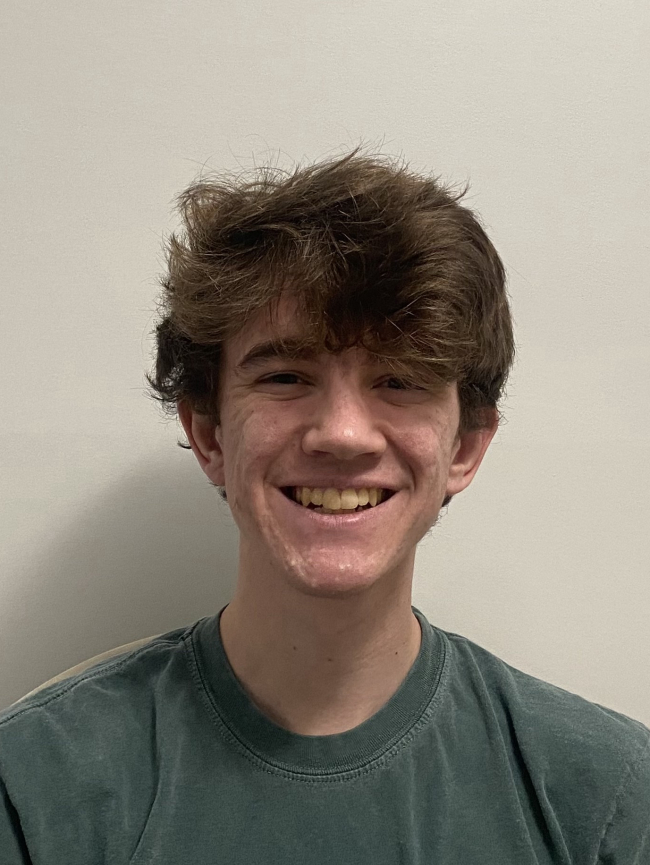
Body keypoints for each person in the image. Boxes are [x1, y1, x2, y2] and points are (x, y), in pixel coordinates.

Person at [1, 149, 648, 863]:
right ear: (210, 434)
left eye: (400, 380)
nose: (342, 434)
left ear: (465, 446)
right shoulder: (35, 787)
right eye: (285, 376)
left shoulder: (606, 798)